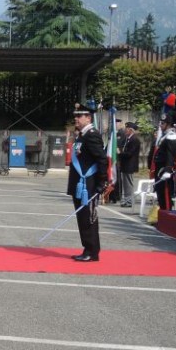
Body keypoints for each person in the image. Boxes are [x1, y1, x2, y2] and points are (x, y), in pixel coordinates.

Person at [67, 105, 109, 262]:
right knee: (82, 217)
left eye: (80, 116)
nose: (76, 119)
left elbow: (102, 159)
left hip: (88, 185)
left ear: (88, 118)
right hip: (80, 184)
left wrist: (102, 181)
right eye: (75, 116)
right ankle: (87, 248)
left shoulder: (92, 135)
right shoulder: (82, 135)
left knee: (88, 218)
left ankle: (92, 251)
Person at [150, 114, 176, 210]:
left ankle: (166, 214)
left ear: (168, 124)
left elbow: (171, 155)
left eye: (162, 123)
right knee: (160, 195)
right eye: (160, 123)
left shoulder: (172, 136)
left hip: (165, 169)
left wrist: (168, 170)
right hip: (160, 169)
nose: (160, 125)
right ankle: (163, 214)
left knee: (165, 196)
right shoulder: (165, 135)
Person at [116, 121, 140, 207]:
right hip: (126, 164)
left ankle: (129, 201)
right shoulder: (128, 139)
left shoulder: (134, 140)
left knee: (128, 183)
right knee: (126, 184)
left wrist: (120, 153)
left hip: (130, 164)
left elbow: (130, 153)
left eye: (127, 129)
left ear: (131, 130)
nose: (125, 130)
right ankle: (127, 200)